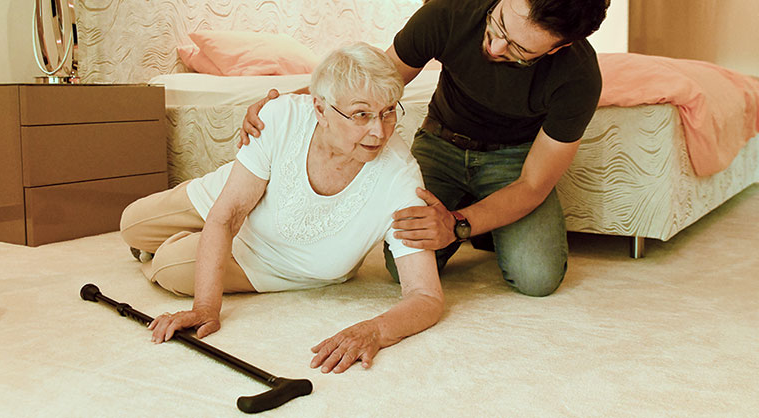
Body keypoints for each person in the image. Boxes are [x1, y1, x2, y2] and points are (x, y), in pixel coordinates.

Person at [241, 0, 609, 298]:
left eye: (519, 49)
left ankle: (484, 223)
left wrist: (458, 224)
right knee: (399, 269)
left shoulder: (579, 76)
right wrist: (283, 106)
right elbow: (370, 85)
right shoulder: (448, 11)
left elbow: (533, 184)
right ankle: (490, 222)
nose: (495, 47)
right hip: (442, 142)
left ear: (560, 46)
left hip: (514, 161)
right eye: (497, 25)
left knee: (538, 279)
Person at [120, 43, 443, 374]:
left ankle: (186, 246)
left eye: (389, 111)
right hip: (236, 200)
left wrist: (376, 330)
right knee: (131, 224)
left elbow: (426, 296)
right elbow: (229, 213)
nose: (379, 131)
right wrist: (206, 307)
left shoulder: (402, 177)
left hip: (277, 262)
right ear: (320, 109)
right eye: (362, 114)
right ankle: (193, 235)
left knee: (168, 266)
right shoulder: (283, 115)